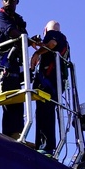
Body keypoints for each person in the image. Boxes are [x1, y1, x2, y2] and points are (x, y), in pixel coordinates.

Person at [0, 0, 30, 139]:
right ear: (2, 0)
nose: (8, 1)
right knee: (9, 98)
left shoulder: (17, 19)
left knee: (18, 98)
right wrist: (24, 37)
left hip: (15, 62)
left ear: (16, 1)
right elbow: (13, 34)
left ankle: (17, 132)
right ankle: (9, 134)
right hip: (3, 61)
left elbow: (23, 37)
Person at [30, 24, 69, 156]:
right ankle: (44, 145)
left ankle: (45, 146)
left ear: (46, 30)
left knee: (44, 113)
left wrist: (36, 53)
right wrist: (40, 44)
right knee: (46, 112)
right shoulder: (65, 43)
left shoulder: (53, 34)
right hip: (55, 84)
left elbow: (51, 44)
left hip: (48, 83)